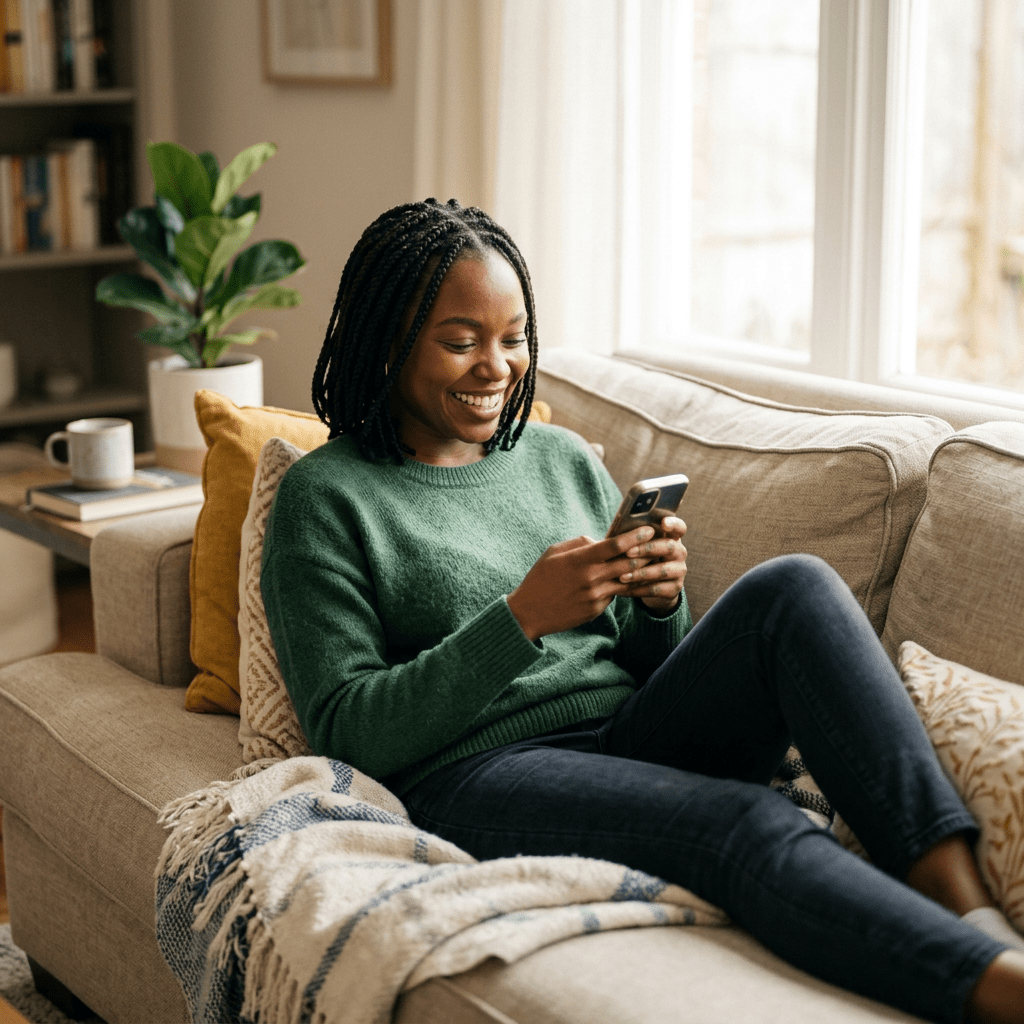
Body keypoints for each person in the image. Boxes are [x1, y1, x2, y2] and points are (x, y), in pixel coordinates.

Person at [261, 198, 1024, 1023]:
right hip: (477, 773)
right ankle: (992, 987)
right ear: (386, 344)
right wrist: (519, 621)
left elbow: (646, 666)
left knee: (794, 587)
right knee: (745, 819)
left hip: (627, 737)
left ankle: (970, 908)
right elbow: (344, 727)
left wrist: (659, 603)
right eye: (459, 341)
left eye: (513, 339)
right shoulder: (326, 497)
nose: (496, 367)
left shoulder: (554, 458)